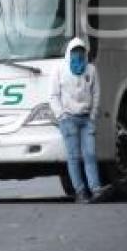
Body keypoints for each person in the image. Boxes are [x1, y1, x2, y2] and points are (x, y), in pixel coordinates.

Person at [50, 38, 113, 204]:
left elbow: (96, 94)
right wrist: (61, 116)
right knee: (73, 156)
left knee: (90, 154)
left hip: (86, 119)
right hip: (68, 119)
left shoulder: (91, 70)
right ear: (69, 53)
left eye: (81, 51)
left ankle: (95, 188)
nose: (78, 54)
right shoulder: (59, 70)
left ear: (85, 53)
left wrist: (92, 116)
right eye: (75, 51)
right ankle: (80, 191)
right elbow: (53, 96)